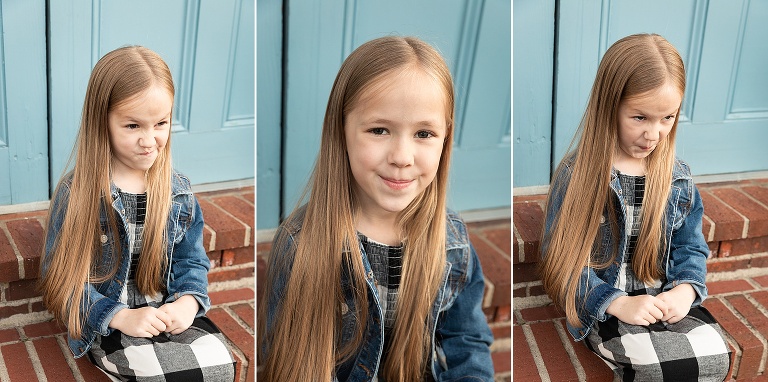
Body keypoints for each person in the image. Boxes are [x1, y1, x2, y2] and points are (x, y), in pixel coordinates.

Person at [258, 36, 494, 381]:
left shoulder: (452, 242)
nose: (401, 157)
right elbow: (289, 358)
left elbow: (466, 339)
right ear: (342, 131)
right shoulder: (302, 243)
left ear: (446, 139)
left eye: (424, 134)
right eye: (379, 130)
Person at [539, 33, 731, 381]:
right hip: (607, 305)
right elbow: (562, 262)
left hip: (664, 298)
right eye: (640, 117)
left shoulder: (677, 177)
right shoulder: (579, 176)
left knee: (717, 357)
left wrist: (686, 290)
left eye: (667, 118)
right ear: (610, 106)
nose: (654, 134)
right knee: (659, 368)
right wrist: (617, 302)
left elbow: (690, 246)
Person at [39, 46, 235, 381]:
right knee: (165, 376)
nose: (149, 140)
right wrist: (120, 317)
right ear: (103, 122)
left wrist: (186, 304)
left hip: (165, 312)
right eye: (132, 126)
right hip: (109, 322)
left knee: (221, 366)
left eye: (161, 123)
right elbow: (63, 281)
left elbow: (192, 261)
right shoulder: (81, 194)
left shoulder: (178, 191)